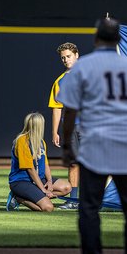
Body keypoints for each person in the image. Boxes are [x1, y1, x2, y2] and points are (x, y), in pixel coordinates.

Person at [58, 17, 127, 254]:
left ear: (96, 38)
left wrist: (66, 146)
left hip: (96, 144)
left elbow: (70, 111)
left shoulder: (84, 66)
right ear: (118, 39)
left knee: (89, 209)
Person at [6, 112, 71, 212]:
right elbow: (30, 169)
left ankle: (38, 196)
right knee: (48, 208)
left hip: (39, 179)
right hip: (21, 181)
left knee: (66, 187)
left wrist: (49, 182)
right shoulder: (22, 141)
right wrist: (43, 190)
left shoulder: (41, 141)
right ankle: (19, 198)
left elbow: (45, 164)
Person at [48, 42, 81, 209]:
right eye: (63, 58)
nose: (66, 60)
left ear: (77, 55)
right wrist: (55, 131)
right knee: (74, 164)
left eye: (68, 56)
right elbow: (56, 108)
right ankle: (74, 200)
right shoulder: (60, 81)